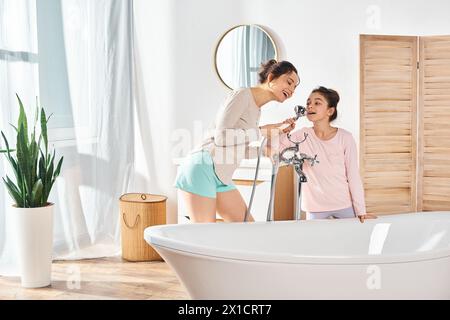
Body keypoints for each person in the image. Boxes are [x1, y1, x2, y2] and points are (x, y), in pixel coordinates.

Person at [174, 59, 299, 223]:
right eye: (289, 82)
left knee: (247, 228)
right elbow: (221, 137)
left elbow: (236, 148)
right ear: (271, 78)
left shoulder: (256, 109)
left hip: (221, 174)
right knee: (204, 234)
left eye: (294, 87)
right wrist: (262, 131)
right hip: (203, 166)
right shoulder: (242, 95)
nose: (291, 90)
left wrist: (265, 150)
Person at [278, 86, 377, 223]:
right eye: (308, 103)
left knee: (350, 241)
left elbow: (353, 175)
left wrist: (361, 210)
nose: (310, 106)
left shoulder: (345, 138)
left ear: (330, 111)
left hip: (343, 204)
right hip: (315, 207)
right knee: (317, 243)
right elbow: (275, 150)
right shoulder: (302, 134)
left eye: (317, 103)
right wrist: (282, 130)